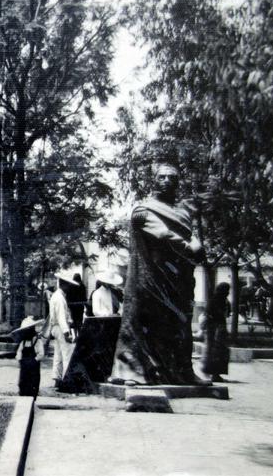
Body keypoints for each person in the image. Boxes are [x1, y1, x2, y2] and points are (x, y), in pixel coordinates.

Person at [110, 162, 209, 386]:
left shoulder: (182, 212)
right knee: (145, 322)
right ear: (154, 180)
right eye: (162, 177)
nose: (167, 181)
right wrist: (189, 246)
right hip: (151, 279)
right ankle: (134, 372)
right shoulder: (144, 210)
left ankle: (183, 371)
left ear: (177, 182)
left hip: (178, 280)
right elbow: (164, 235)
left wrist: (196, 243)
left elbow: (188, 233)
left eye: (172, 178)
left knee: (180, 324)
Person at [42, 272, 76, 389]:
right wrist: (67, 332)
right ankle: (67, 381)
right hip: (61, 328)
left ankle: (57, 378)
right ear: (64, 284)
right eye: (68, 285)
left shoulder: (56, 296)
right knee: (67, 354)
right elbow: (61, 317)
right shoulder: (60, 298)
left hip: (56, 327)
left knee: (58, 354)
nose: (70, 288)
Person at [201, 282, 231, 382]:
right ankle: (213, 373)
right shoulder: (214, 300)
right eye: (226, 290)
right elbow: (209, 313)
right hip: (214, 329)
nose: (228, 292)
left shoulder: (223, 300)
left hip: (219, 328)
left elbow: (227, 314)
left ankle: (215, 373)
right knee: (215, 351)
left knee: (220, 352)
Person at [13, 316, 46, 397]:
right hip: (24, 366)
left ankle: (32, 398)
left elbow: (41, 353)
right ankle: (23, 395)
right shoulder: (23, 342)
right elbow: (19, 352)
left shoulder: (37, 341)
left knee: (33, 383)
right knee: (22, 382)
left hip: (33, 366)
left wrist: (35, 360)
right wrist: (19, 359)